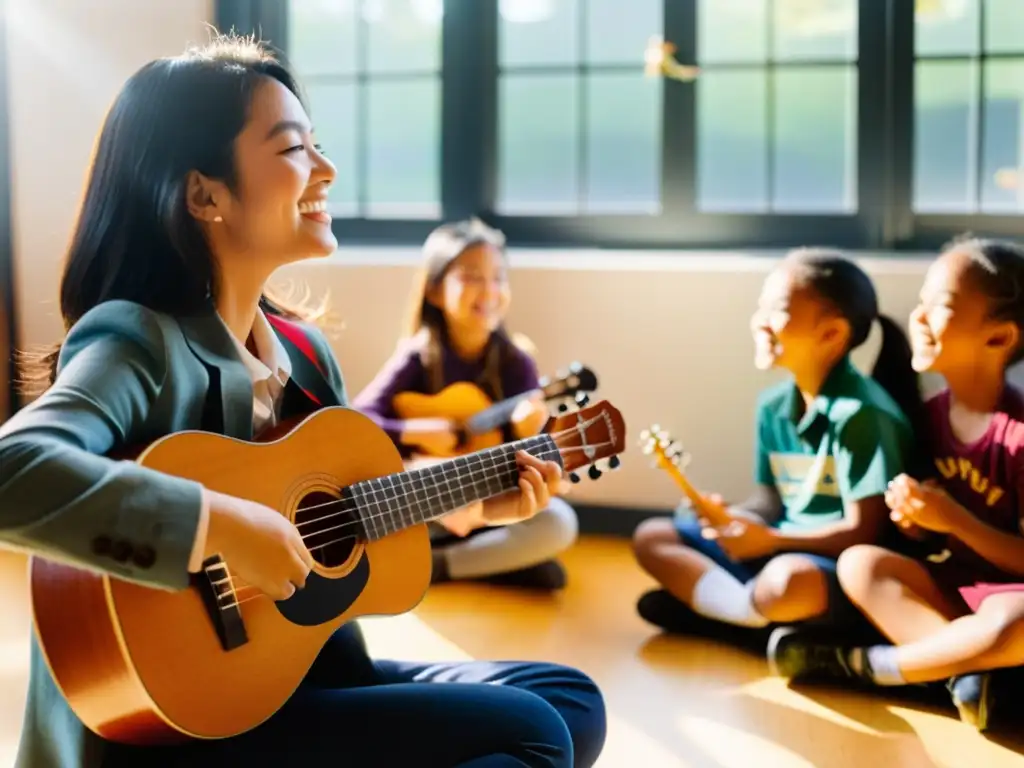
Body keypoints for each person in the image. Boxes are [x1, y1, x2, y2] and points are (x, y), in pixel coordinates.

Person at [0, 35, 606, 768]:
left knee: (568, 700)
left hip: (295, 682)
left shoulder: (308, 356)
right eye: (293, 150)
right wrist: (215, 526)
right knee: (533, 731)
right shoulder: (139, 340)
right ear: (204, 194)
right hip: (178, 722)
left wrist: (465, 507)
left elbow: (339, 532)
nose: (326, 168)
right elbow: (14, 471)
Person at [769, 237, 1024, 733]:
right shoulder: (925, 418)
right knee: (861, 564)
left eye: (941, 308)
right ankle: (965, 678)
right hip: (953, 596)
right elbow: (926, 540)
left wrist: (953, 519)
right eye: (921, 303)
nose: (919, 317)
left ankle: (874, 668)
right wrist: (915, 526)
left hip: (1009, 600)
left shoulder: (1017, 436)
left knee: (1014, 624)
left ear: (998, 339)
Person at [633, 248, 927, 650]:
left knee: (789, 583)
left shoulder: (861, 415)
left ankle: (724, 616)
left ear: (832, 334)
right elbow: (770, 503)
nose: (760, 323)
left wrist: (770, 541)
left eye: (777, 311)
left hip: (824, 566)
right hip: (776, 547)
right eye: (761, 308)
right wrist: (733, 518)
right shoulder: (773, 407)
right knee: (653, 537)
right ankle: (748, 617)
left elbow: (865, 533)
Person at [352, 219, 578, 591]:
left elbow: (543, 463)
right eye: (472, 278)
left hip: (490, 506)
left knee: (559, 522)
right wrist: (413, 431)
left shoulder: (516, 363)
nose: (489, 291)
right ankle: (493, 562)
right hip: (424, 509)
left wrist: (531, 432)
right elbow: (358, 421)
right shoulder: (418, 357)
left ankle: (440, 566)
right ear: (436, 292)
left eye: (498, 278)